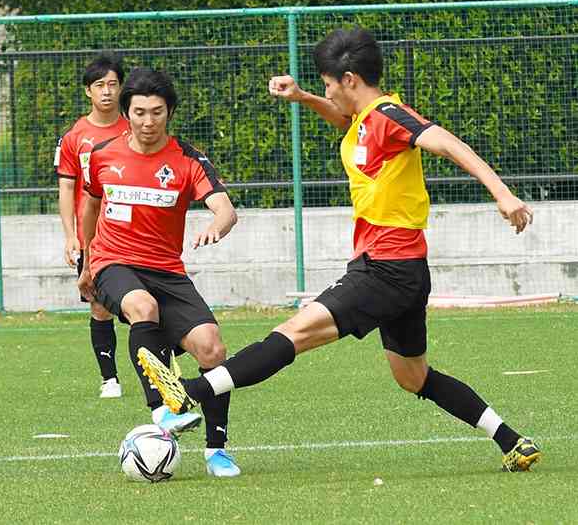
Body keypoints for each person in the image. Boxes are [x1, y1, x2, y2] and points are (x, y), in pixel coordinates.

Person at [137, 27, 542, 473]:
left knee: (294, 332)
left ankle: (189, 391)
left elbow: (446, 142)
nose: (327, 90)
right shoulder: (367, 119)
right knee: (414, 377)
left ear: (349, 79)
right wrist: (305, 98)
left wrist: (503, 195)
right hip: (401, 270)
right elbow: (347, 122)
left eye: (329, 83)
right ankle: (511, 440)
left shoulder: (390, 114)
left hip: (385, 269)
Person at [78, 67, 241, 477]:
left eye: (156, 112)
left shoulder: (188, 159)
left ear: (169, 112)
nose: (147, 122)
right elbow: (90, 207)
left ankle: (217, 451)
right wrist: (86, 261)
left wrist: (216, 226)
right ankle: (163, 409)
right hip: (114, 262)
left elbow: (225, 209)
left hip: (167, 270)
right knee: (141, 305)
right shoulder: (102, 155)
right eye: (139, 113)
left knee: (212, 347)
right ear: (126, 112)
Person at [56, 52, 129, 399]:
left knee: (147, 305)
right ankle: (110, 378)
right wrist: (72, 236)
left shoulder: (136, 126)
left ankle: (164, 370)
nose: (106, 91)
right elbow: (67, 188)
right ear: (88, 91)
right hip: (94, 236)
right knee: (99, 305)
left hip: (132, 230)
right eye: (99, 85)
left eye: (113, 84)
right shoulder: (75, 136)